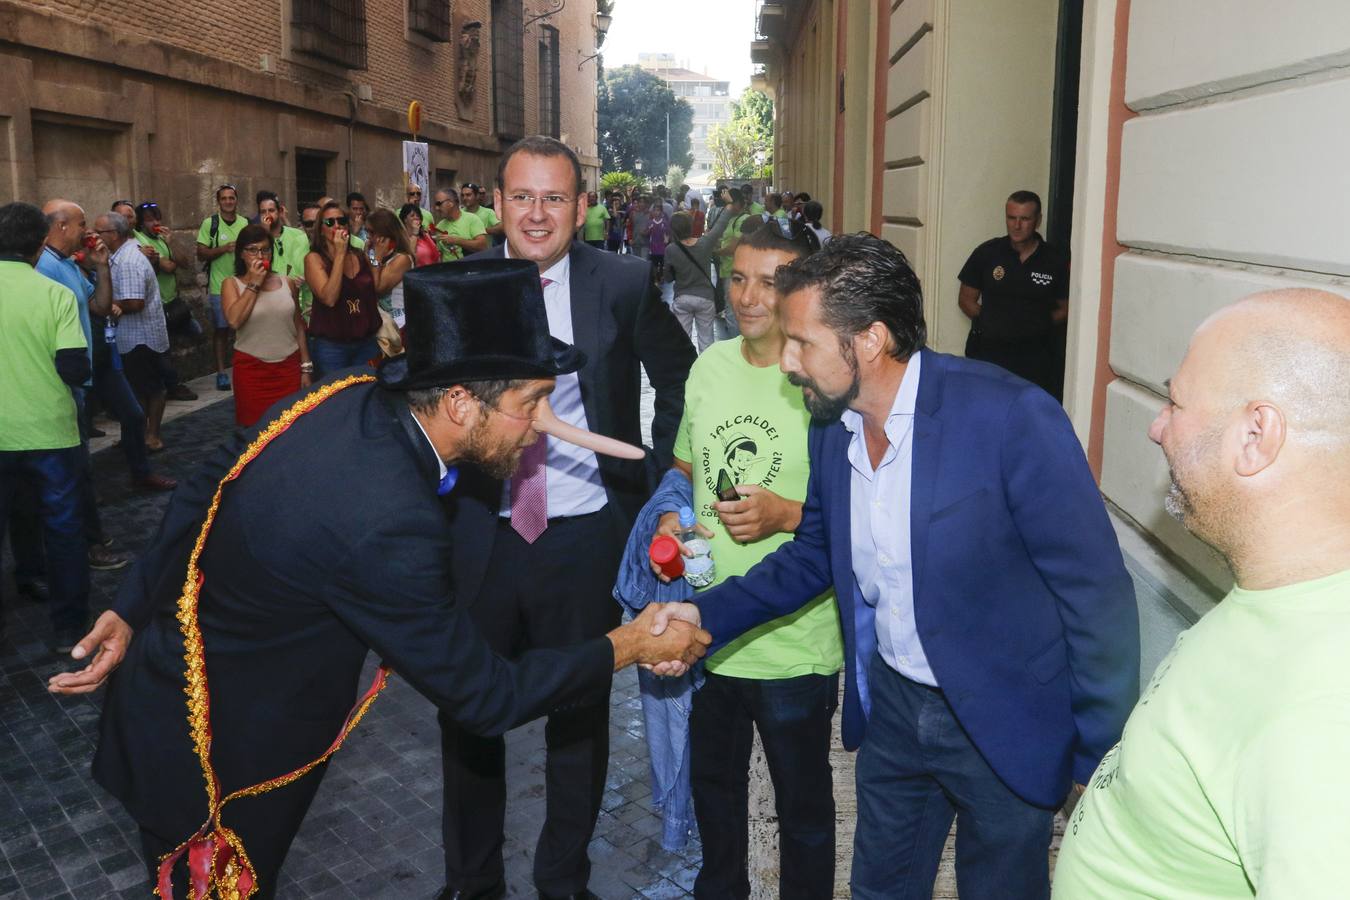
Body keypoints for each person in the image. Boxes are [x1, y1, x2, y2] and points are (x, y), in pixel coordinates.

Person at [48, 260, 711, 899]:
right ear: (459, 402)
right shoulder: (391, 523)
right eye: (530, 405)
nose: (543, 429)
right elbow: (486, 696)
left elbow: (211, 477)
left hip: (195, 703)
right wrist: (630, 645)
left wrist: (131, 605)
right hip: (215, 771)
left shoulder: (346, 395)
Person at [653, 234, 1140, 899]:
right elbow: (812, 557)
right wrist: (702, 615)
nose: (789, 363)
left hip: (1005, 720)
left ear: (870, 340)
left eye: (804, 343)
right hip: (895, 715)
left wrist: (1098, 749)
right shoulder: (832, 428)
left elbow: (1096, 595)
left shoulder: (1010, 419)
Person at [440, 135, 696, 900]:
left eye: (555, 197)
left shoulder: (620, 281)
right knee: (469, 715)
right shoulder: (455, 287)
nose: (538, 213)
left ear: (582, 208)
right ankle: (473, 882)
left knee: (580, 717)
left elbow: (679, 374)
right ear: (497, 204)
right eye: (523, 196)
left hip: (585, 534)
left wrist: (654, 477)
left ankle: (563, 880)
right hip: (483, 534)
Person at [1053, 289, 1350, 898]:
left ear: (1255, 435)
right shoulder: (1279, 596)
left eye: (1176, 401)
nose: (1158, 426)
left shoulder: (1324, 712)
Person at [655, 224, 842, 898]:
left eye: (772, 279)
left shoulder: (821, 380)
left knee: (804, 814)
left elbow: (852, 512)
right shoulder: (709, 367)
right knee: (716, 797)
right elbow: (683, 467)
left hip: (796, 643)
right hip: (712, 631)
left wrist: (784, 513)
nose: (749, 296)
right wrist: (674, 515)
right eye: (739, 277)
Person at [0, 202, 92, 653]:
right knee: (63, 529)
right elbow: (74, 367)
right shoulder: (54, 295)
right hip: (50, 433)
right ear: (39, 246)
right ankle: (69, 630)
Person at [958, 190, 1069, 401]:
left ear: (1038, 221)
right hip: (990, 355)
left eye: (1025, 219)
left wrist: (1038, 323)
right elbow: (966, 299)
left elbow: (1066, 307)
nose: (1017, 225)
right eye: (1011, 218)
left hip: (1037, 358)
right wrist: (993, 320)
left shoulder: (1054, 260)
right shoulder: (987, 253)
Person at [220, 225, 311, 427]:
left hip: (288, 368)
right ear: (241, 254)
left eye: (265, 249)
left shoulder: (286, 282)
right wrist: (253, 283)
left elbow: (298, 326)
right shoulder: (232, 284)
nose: (259, 255)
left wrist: (306, 368)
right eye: (253, 250)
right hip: (252, 371)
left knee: (291, 429)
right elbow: (234, 320)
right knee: (255, 433)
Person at [101, 212, 172, 454]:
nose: (95, 236)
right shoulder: (119, 255)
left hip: (140, 337)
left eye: (99, 232)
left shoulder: (129, 260)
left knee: (148, 389)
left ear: (113, 234)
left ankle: (151, 436)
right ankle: (135, 435)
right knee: (138, 389)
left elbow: (135, 302)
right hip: (133, 337)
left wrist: (106, 304)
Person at [303, 200, 381, 376]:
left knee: (368, 396)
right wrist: (339, 254)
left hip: (366, 342)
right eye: (330, 222)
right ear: (321, 230)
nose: (337, 226)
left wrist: (376, 257)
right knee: (337, 399)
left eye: (341, 221)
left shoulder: (359, 255)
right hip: (332, 348)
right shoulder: (314, 259)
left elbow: (376, 288)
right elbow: (329, 298)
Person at [131, 202, 198, 402]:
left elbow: (185, 263)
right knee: (162, 349)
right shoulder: (139, 240)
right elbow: (169, 267)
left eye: (158, 218)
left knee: (192, 333)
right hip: (155, 305)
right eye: (150, 220)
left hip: (172, 302)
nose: (156, 224)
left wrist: (172, 242)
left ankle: (168, 383)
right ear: (141, 224)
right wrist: (170, 261)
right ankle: (171, 385)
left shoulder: (162, 238)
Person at [663, 193, 734, 354]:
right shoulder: (705, 243)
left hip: (682, 298)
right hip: (705, 298)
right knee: (706, 340)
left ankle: (684, 372)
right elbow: (720, 226)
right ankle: (705, 372)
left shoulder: (671, 250)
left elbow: (667, 278)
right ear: (691, 225)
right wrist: (729, 204)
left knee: (682, 340)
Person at [196, 184, 248, 391]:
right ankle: (221, 372)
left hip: (243, 283)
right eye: (224, 198)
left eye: (231, 198)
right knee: (222, 330)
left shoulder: (244, 222)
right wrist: (223, 249)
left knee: (244, 329)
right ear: (218, 202)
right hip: (219, 286)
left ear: (236, 200)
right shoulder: (211, 223)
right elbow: (201, 253)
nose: (228, 201)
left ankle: (242, 368)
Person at [365, 208, 415, 330]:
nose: (368, 237)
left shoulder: (402, 258)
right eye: (366, 232)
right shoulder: (373, 253)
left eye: (372, 233)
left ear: (384, 234)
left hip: (396, 324)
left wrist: (376, 257)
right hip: (376, 321)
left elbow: (378, 288)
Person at [432, 188, 487, 262]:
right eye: (435, 204)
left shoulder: (472, 219)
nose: (436, 208)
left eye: (439, 204)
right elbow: (440, 255)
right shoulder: (439, 226)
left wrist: (457, 241)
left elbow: (482, 246)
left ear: (451, 203)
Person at [402, 201, 440, 267]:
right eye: (412, 216)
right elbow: (409, 257)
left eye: (418, 215)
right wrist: (415, 232)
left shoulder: (425, 235)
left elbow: (436, 254)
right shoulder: (402, 238)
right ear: (405, 219)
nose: (416, 218)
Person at [646, 200, 670, 284]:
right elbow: (646, 233)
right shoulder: (650, 222)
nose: (656, 212)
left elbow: (668, 234)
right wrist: (647, 230)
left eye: (658, 210)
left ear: (661, 212)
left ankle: (662, 277)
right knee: (654, 265)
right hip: (653, 247)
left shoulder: (665, 223)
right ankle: (656, 279)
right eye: (655, 210)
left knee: (662, 264)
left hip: (662, 248)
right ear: (652, 211)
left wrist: (667, 239)